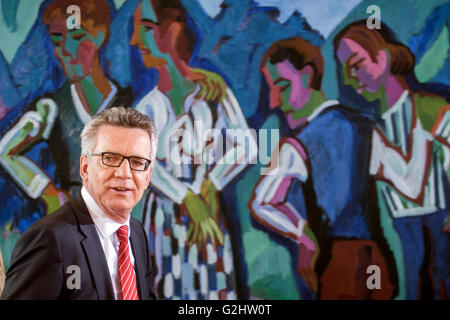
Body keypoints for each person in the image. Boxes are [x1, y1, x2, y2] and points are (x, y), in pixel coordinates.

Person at [249, 36, 397, 299]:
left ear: (307, 75)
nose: (274, 102)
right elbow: (406, 181)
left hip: (336, 263)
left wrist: (303, 236)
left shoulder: (297, 143)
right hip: (377, 259)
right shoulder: (365, 128)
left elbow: (262, 202)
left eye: (281, 86)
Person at [129, 0, 257, 300]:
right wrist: (185, 197)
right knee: (168, 288)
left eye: (145, 29)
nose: (136, 41)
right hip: (163, 219)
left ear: (171, 31)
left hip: (209, 211)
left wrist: (211, 184)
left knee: (212, 290)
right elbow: (142, 163)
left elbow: (248, 146)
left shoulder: (213, 92)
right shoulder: (147, 106)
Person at [334, 21, 450, 299]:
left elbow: (421, 181)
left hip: (442, 232)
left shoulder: (431, 108)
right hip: (403, 239)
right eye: (345, 72)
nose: (351, 79)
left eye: (357, 65)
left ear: (383, 56)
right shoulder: (370, 131)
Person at [1, 107, 157, 300]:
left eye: (137, 162)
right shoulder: (50, 239)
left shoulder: (136, 232)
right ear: (85, 168)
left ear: (148, 176)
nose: (124, 173)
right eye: (109, 158)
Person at [0, 0, 132, 219]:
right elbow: (6, 152)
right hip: (73, 225)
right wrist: (49, 193)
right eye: (56, 40)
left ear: (100, 35)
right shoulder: (51, 108)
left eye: (78, 37)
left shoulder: (128, 104)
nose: (66, 51)